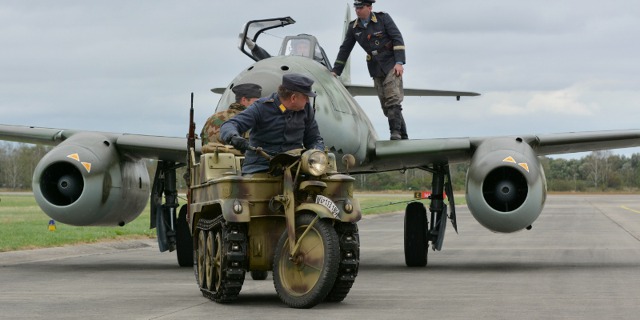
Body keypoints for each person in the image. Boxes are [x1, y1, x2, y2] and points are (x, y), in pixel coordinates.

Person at [331, 0, 408, 140]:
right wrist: (335, 71)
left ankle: (395, 133)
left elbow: (397, 38)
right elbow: (345, 49)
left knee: (393, 99)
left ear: (369, 7)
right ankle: (404, 135)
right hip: (375, 67)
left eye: (360, 7)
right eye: (356, 8)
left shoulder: (383, 19)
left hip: (391, 63)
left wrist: (399, 62)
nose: (357, 10)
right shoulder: (354, 27)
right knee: (386, 106)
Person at [220, 73, 324, 174]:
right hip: (260, 169)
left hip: (294, 169)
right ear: (293, 98)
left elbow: (314, 139)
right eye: (306, 97)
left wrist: (316, 154)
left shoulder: (306, 110)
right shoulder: (261, 107)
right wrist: (233, 137)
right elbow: (230, 124)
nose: (307, 101)